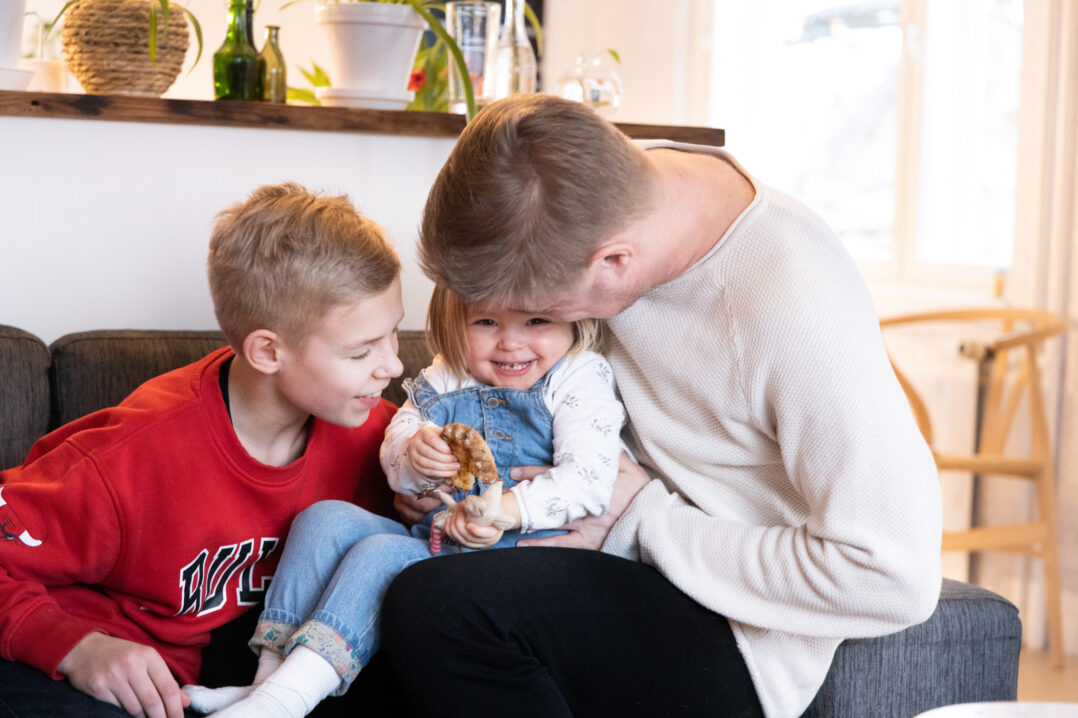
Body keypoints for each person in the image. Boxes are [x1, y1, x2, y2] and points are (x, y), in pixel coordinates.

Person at [380, 94, 944, 718]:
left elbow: (894, 577)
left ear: (616, 264)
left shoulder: (797, 310)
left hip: (731, 625)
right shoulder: (606, 194)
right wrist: (440, 479)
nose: (522, 333)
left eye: (541, 313)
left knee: (438, 609)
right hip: (576, 543)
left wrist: (642, 519)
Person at [0, 183, 405, 718]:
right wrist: (75, 646)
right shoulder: (133, 455)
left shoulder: (375, 431)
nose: (394, 367)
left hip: (212, 670)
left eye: (394, 335)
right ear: (268, 351)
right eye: (362, 351)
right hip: (88, 656)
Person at [182, 283, 625, 718]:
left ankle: (287, 702)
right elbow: (396, 460)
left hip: (515, 558)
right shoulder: (445, 375)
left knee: (384, 553)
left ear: (574, 318)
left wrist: (504, 511)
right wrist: (414, 456)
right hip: (434, 538)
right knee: (324, 519)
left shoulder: (579, 377)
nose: (510, 341)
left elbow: (588, 480)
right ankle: (267, 686)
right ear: (455, 323)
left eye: (537, 320)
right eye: (487, 321)